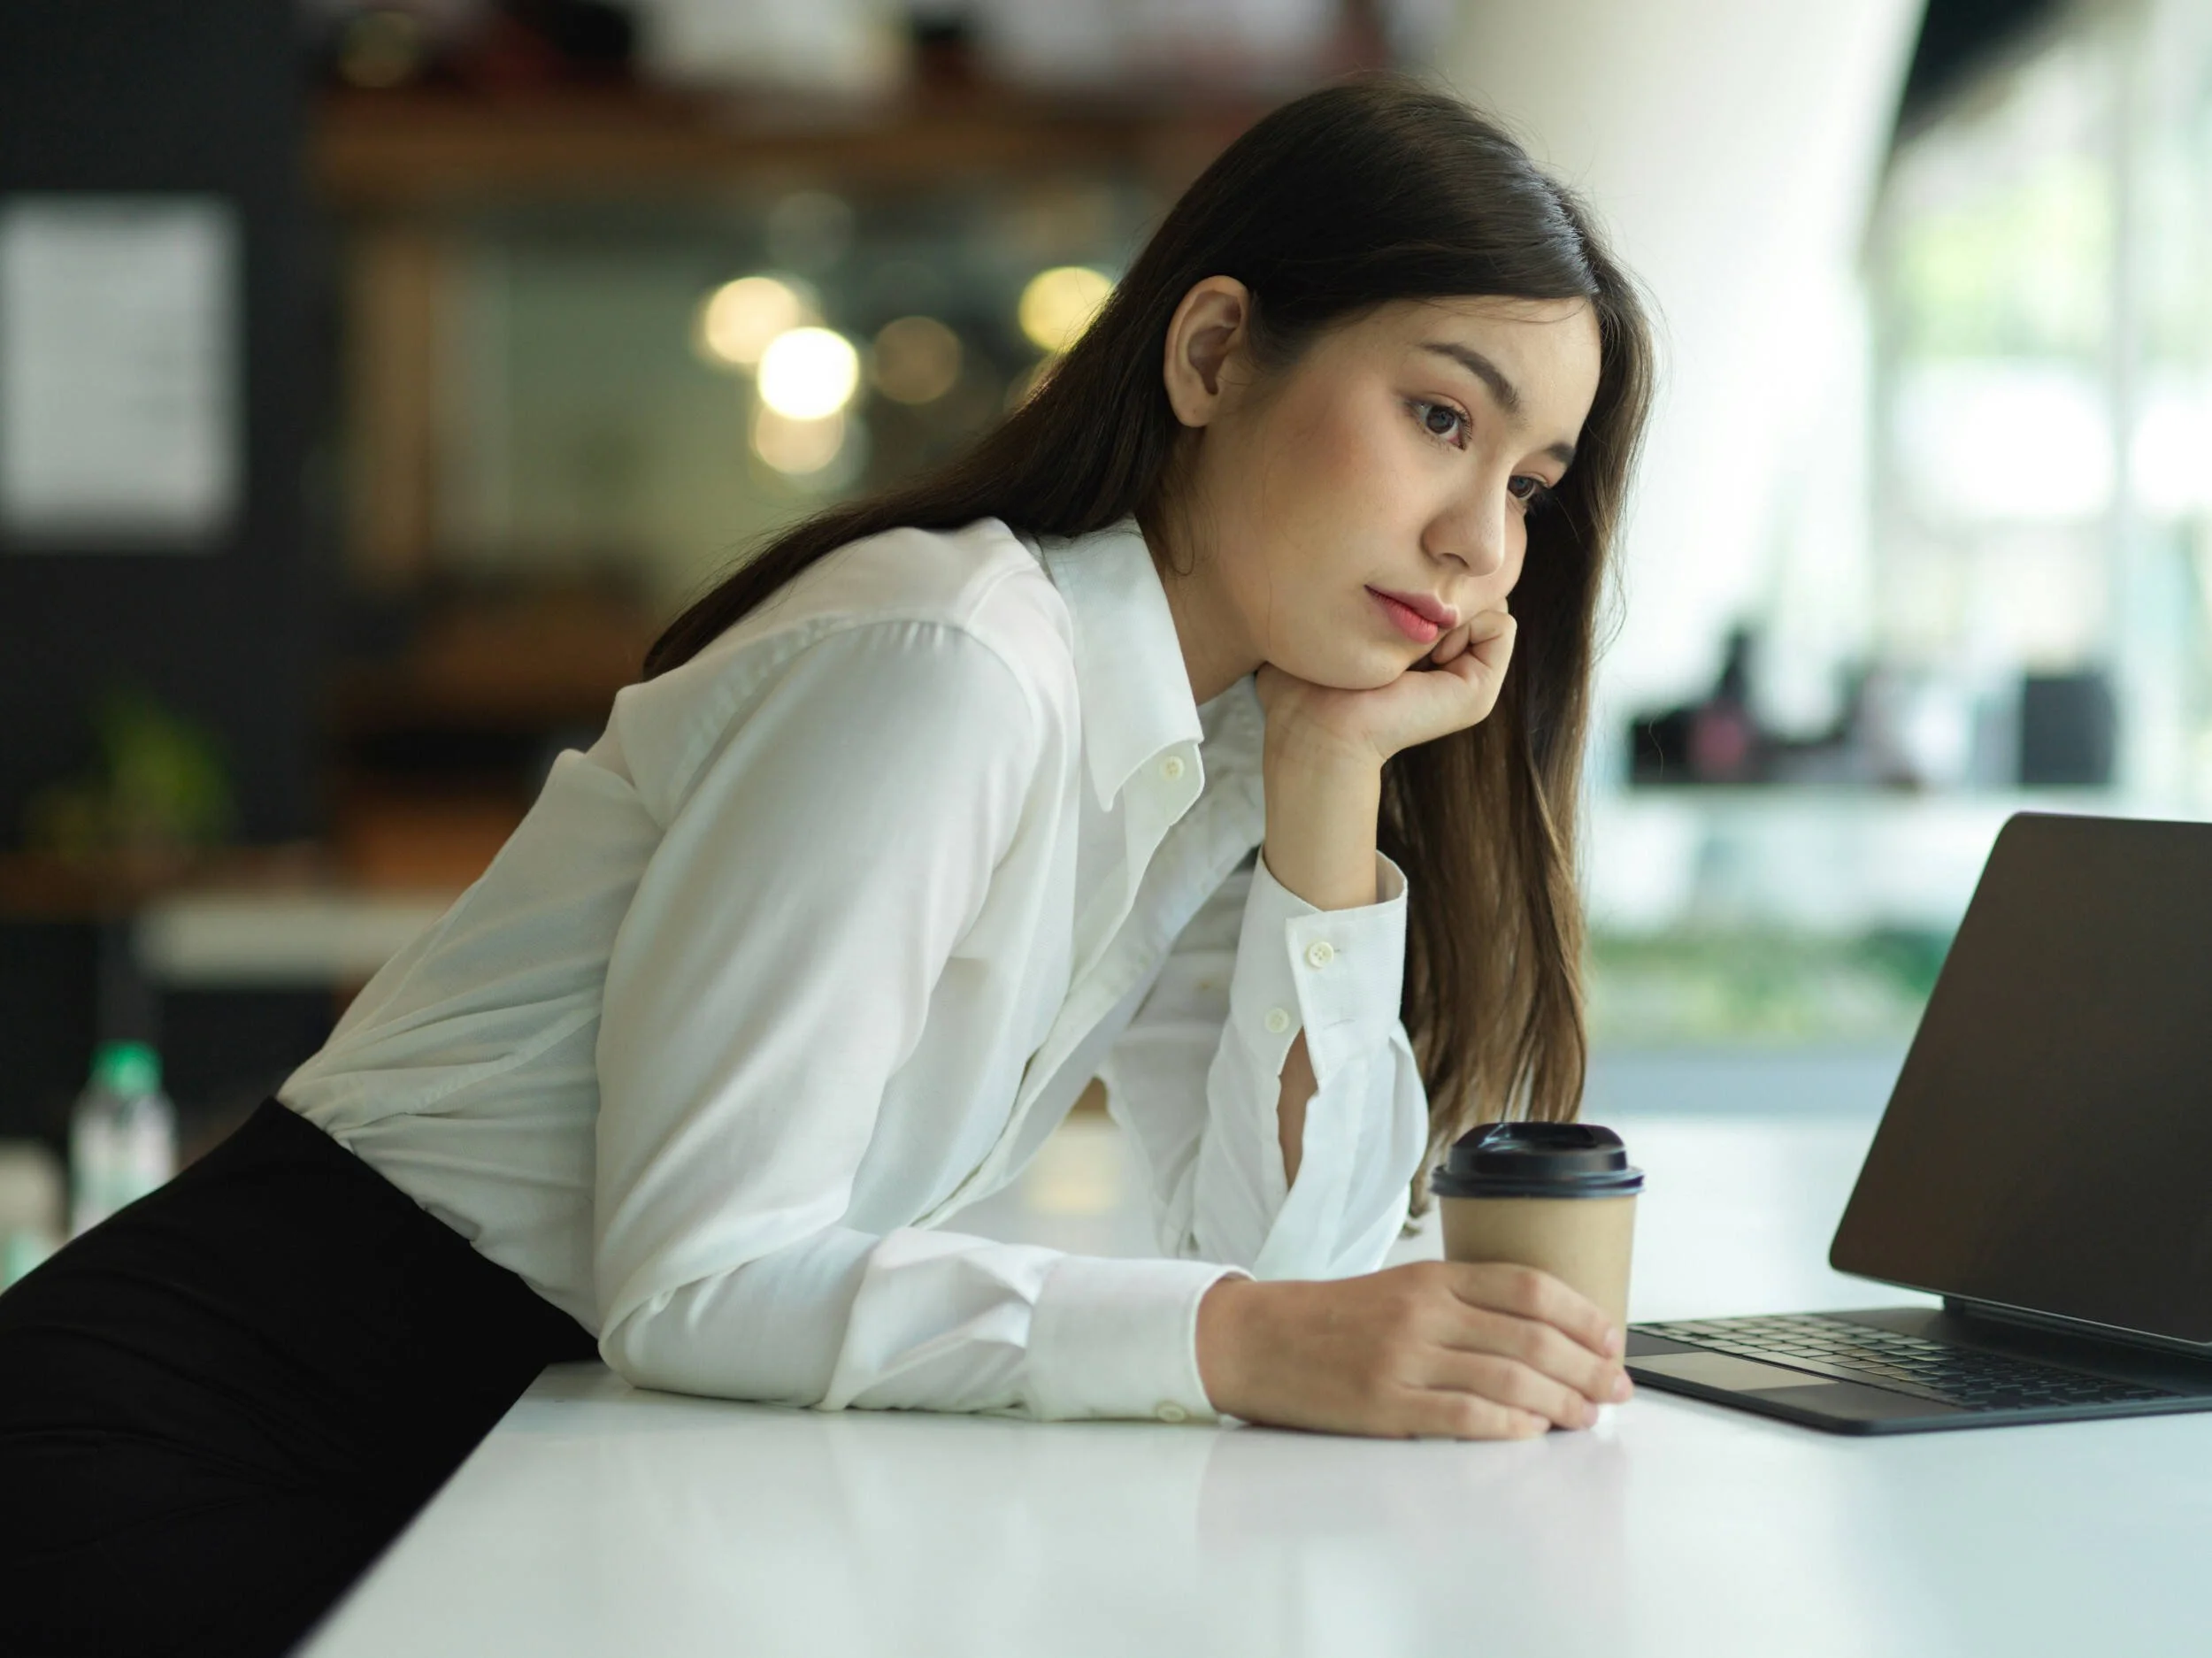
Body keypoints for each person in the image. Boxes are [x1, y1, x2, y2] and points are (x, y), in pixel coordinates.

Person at [0, 73, 1654, 1657]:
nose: (1483, 544)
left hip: (500, 1456)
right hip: (194, 1447)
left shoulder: (1205, 750)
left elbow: (1296, 1275)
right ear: (1214, 352)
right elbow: (701, 1277)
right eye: (1440, 416)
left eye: (1526, 484)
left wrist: (1327, 773)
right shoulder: (954, 658)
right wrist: (1234, 1338)